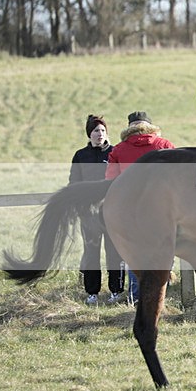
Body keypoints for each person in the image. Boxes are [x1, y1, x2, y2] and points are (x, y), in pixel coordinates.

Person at [106, 111, 176, 305]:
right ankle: (161, 296)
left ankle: (136, 298)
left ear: (130, 127)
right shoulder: (165, 145)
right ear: (150, 126)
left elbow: (110, 183)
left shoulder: (119, 150)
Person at [69, 115, 125, 305]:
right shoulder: (80, 156)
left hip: (112, 212)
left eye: (102, 130)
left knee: (114, 252)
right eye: (95, 131)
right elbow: (74, 184)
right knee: (91, 252)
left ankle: (116, 291)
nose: (99, 134)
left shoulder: (115, 152)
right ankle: (92, 292)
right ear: (89, 134)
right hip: (89, 214)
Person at [105, 111, 175, 180]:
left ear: (129, 127)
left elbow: (111, 179)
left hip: (130, 189)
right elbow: (175, 172)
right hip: (159, 189)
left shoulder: (118, 149)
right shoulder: (165, 145)